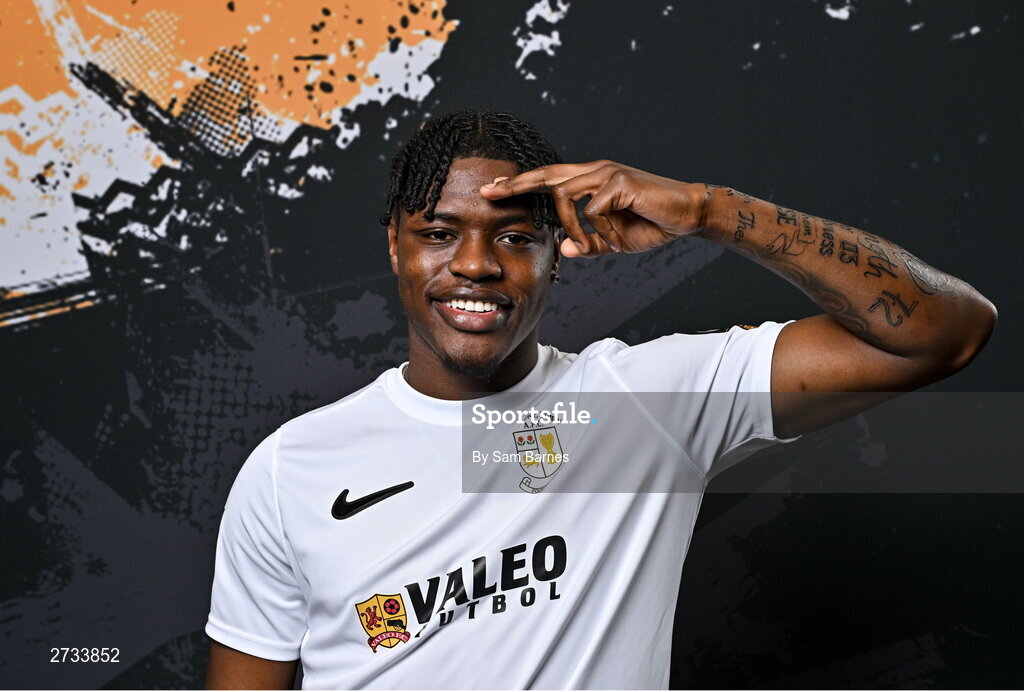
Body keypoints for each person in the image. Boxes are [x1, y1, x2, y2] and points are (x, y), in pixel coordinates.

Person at [204, 109, 995, 689]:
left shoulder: (643, 403)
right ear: (394, 246)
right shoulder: (291, 469)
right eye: (440, 233)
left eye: (516, 236)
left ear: (560, 251)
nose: (476, 264)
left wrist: (709, 211)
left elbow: (944, 334)